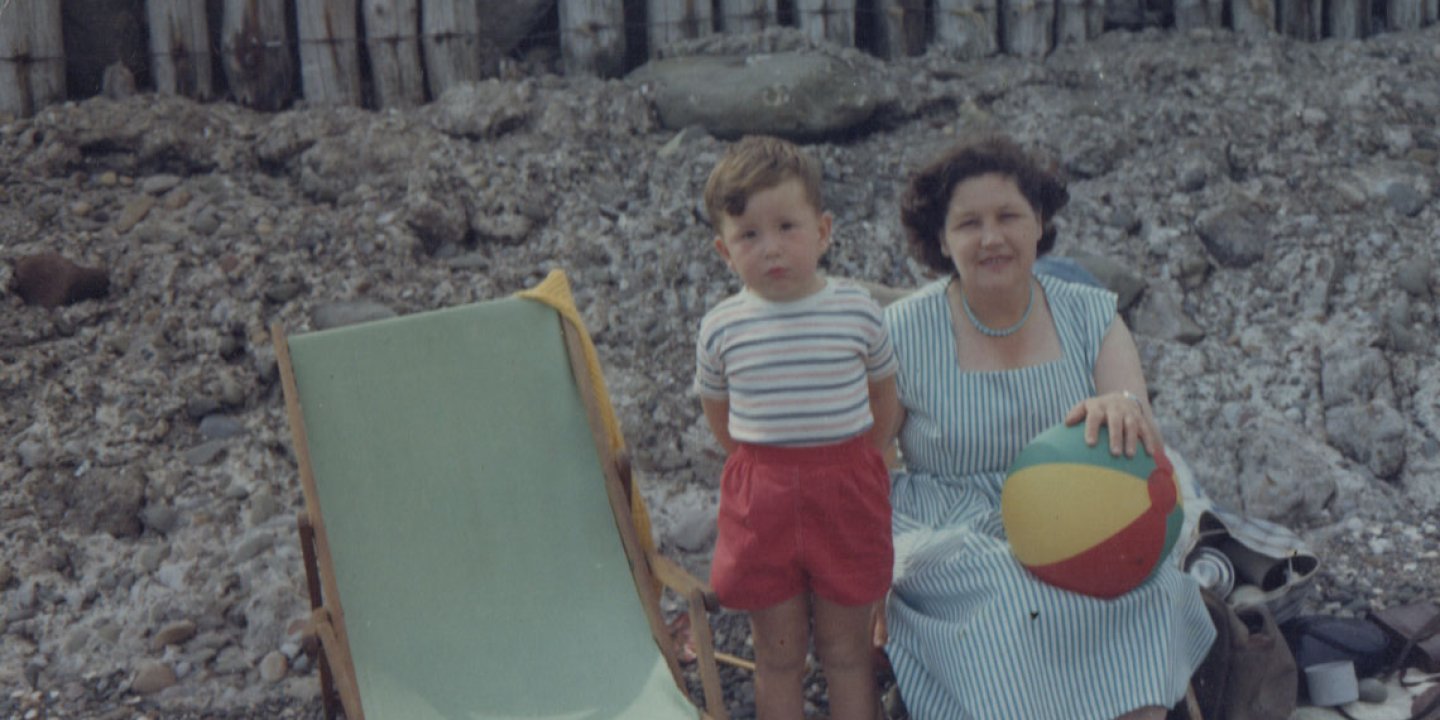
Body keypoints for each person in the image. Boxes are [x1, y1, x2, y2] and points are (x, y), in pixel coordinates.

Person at [877, 134, 1216, 720]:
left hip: (1081, 515)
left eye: (1009, 215)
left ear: (1039, 222)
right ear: (940, 238)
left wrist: (1124, 408)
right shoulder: (901, 330)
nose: (991, 237)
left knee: (1150, 589)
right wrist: (869, 575)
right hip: (953, 528)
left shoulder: (1089, 313)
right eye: (968, 223)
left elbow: (1144, 430)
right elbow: (866, 457)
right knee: (1012, 598)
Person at [695, 135, 901, 720]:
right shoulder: (722, 327)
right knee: (778, 654)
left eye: (788, 226)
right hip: (764, 495)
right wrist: (760, 461)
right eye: (750, 236)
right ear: (724, 251)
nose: (772, 249)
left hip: (845, 487)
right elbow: (720, 411)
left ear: (824, 231)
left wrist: (861, 452)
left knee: (846, 650)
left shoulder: (856, 310)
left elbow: (883, 397)